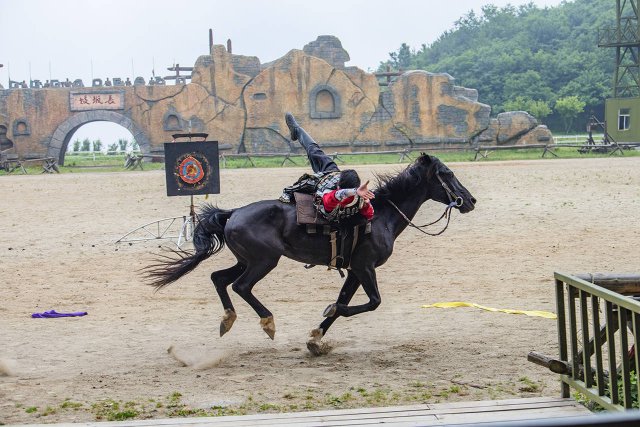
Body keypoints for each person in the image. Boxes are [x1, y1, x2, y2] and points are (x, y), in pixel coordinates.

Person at [280, 112, 374, 221]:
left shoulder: (330, 198)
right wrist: (363, 199)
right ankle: (297, 131)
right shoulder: (358, 198)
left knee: (314, 157)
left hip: (323, 184)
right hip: (331, 175)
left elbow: (338, 195)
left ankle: (297, 131)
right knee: (316, 153)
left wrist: (359, 196)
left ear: (339, 186)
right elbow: (370, 214)